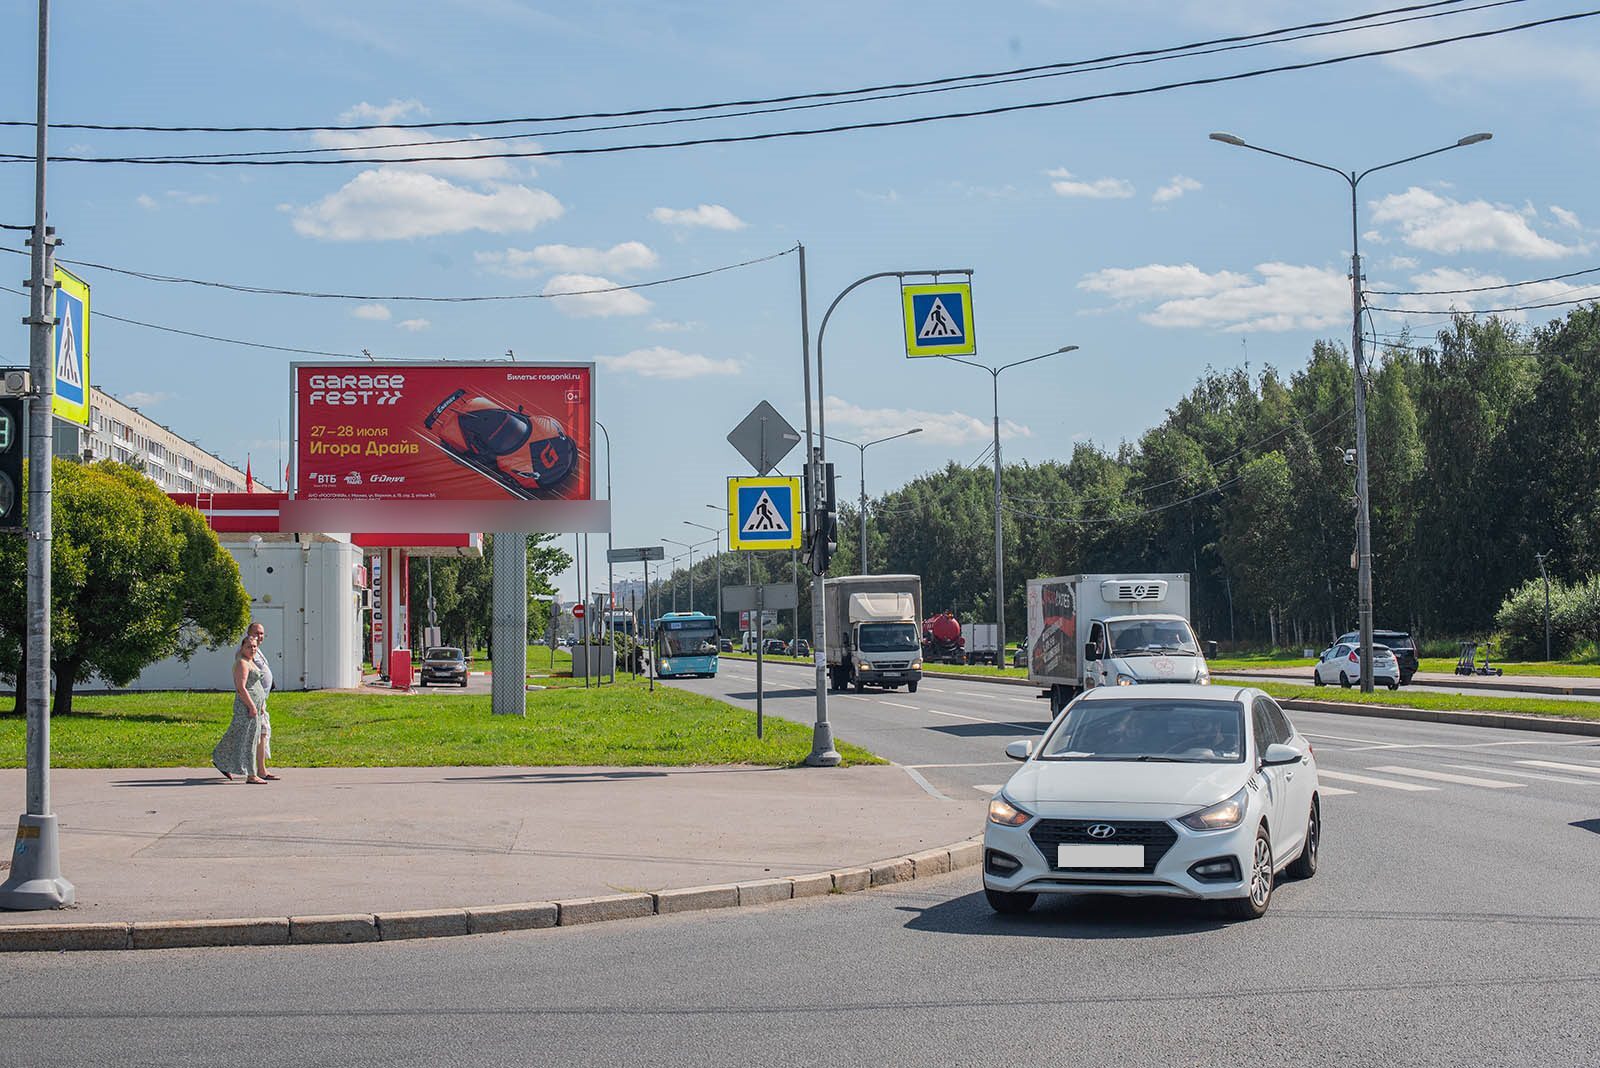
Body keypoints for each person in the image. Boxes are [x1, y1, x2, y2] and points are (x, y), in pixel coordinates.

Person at [212, 632, 268, 784]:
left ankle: (220, 759)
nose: (252, 649)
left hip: (256, 706)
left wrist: (261, 705)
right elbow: (241, 688)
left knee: (243, 736)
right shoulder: (242, 663)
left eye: (254, 647)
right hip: (246, 706)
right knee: (247, 739)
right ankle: (251, 774)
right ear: (242, 648)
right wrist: (251, 706)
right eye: (249, 647)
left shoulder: (251, 662)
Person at [248, 621, 278, 781]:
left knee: (258, 733)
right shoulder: (247, 651)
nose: (259, 636)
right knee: (261, 733)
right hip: (255, 700)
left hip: (261, 699)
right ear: (248, 634)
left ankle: (258, 769)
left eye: (261, 633)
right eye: (256, 633)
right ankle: (259, 771)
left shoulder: (257, 651)